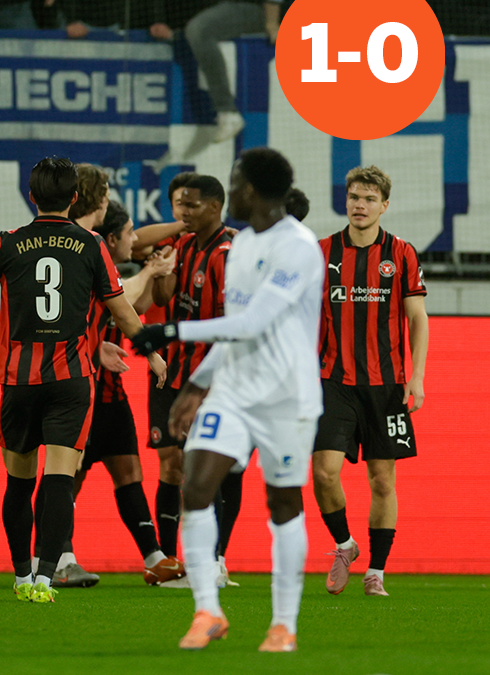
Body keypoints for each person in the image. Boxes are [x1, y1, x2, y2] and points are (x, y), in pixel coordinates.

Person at [0, 157, 165, 603]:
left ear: (32, 196)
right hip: (70, 383)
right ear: (72, 198)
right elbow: (122, 311)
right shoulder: (91, 245)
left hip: (19, 382)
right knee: (60, 479)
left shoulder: (9, 242)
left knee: (19, 483)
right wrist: (154, 353)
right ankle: (48, 577)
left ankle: (22, 574)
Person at [132, 147, 323, 653]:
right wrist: (197, 386)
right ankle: (207, 612)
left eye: (235, 182)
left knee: (282, 501)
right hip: (234, 389)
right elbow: (236, 334)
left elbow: (255, 321)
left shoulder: (298, 248)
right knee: (195, 486)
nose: (230, 190)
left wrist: (171, 331)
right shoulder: (243, 248)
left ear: (252, 191)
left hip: (286, 396)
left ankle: (284, 623)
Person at [311, 166, 428, 597]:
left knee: (382, 480)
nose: (360, 205)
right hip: (333, 381)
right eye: (354, 197)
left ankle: (376, 570)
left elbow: (417, 317)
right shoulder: (323, 251)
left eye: (369, 199)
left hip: (387, 386)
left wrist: (416, 376)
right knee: (324, 473)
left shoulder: (401, 253)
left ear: (384, 205)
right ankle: (345, 545)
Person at [75, 199, 185, 586]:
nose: (136, 240)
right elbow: (121, 299)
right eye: (129, 233)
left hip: (110, 389)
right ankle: (56, 557)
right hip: (79, 388)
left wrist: (178, 230)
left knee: (129, 472)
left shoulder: (106, 254)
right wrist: (153, 269)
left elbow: (136, 295)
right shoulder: (88, 261)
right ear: (110, 237)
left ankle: (155, 557)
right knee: (67, 475)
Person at [147, 174, 233, 584]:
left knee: (203, 464)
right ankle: (167, 561)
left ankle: (211, 562)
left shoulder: (227, 253)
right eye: (178, 204)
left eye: (191, 205)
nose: (183, 212)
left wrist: (211, 380)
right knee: (170, 462)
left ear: (215, 207)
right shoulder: (181, 244)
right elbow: (162, 297)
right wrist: (161, 269)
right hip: (171, 370)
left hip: (208, 376)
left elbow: (231, 325)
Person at [184, 1, 283, 142]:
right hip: (223, 6)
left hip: (260, 9)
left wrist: (272, 21)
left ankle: (227, 111)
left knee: (200, 30)